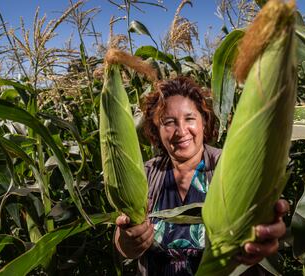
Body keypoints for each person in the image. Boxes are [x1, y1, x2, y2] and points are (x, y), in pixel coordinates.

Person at [114, 76, 289, 275]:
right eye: (169, 122)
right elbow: (122, 241)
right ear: (157, 130)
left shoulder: (227, 166)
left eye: (189, 119)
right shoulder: (146, 173)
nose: (181, 131)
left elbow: (258, 213)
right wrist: (126, 241)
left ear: (203, 122)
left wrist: (264, 228)